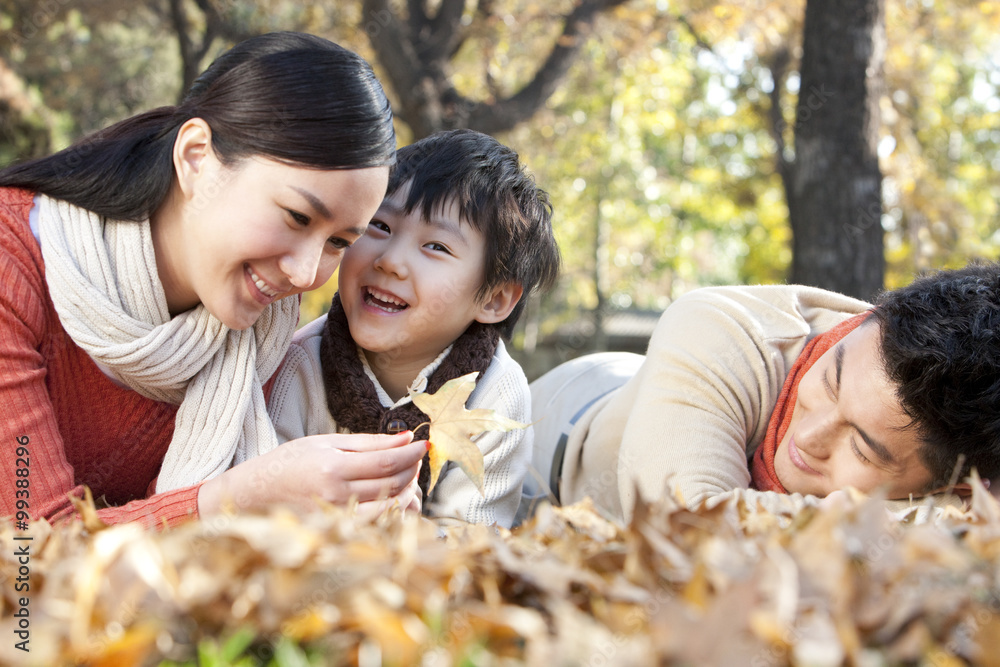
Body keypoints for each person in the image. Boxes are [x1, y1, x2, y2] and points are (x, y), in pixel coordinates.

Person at [0, 32, 430, 529]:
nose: (305, 275)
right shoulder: (14, 261)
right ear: (197, 157)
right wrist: (233, 501)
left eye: (338, 242)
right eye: (296, 216)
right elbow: (30, 550)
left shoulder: (257, 336)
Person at [523, 264, 1000, 522]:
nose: (810, 437)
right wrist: (929, 521)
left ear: (956, 485)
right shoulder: (716, 326)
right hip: (555, 433)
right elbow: (696, 528)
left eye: (861, 447)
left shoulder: (972, 452)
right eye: (830, 379)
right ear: (864, 319)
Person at [267, 129, 560, 528]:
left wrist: (416, 538)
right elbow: (267, 506)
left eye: (436, 246)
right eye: (380, 226)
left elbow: (474, 538)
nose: (390, 261)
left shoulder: (497, 393)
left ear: (493, 299)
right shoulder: (299, 365)